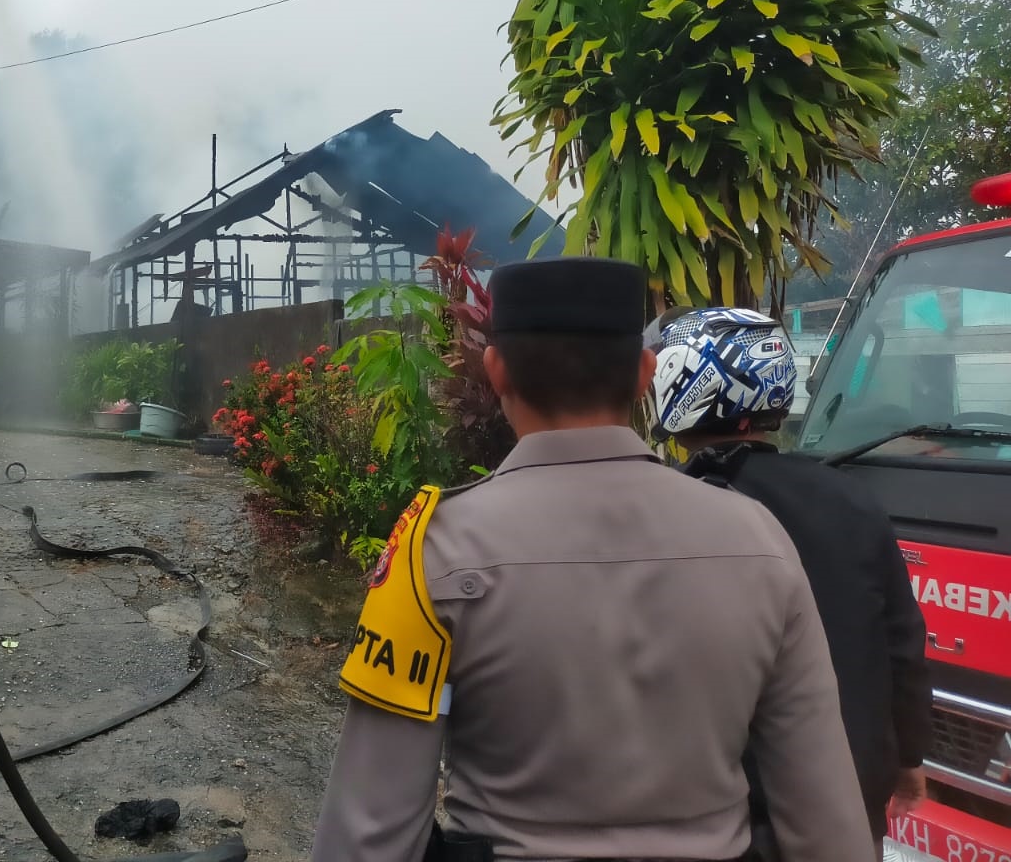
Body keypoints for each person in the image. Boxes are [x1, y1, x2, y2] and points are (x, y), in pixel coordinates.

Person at [311, 257, 872, 862]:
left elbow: (369, 830)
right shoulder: (760, 540)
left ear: (496, 370)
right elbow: (828, 824)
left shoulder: (432, 552)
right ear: (644, 374)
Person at [650, 306, 933, 852]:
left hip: (718, 801)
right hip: (848, 788)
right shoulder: (852, 498)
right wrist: (909, 756)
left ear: (677, 382)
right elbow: (902, 640)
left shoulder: (667, 508)